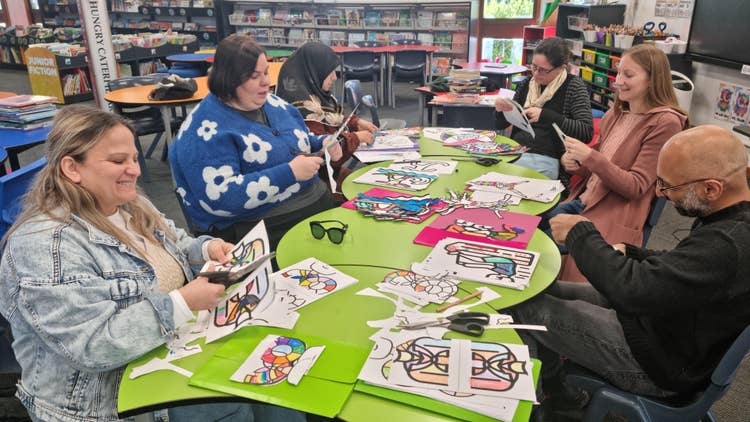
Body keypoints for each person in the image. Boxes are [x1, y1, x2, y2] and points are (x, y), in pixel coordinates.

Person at [0, 105, 304, 422]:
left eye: (134, 158)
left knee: (275, 387)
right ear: (72, 168)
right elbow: (90, 345)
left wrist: (207, 247)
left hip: (173, 348)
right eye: (118, 161)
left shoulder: (129, 203)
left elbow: (174, 241)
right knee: (235, 404)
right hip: (110, 399)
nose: (135, 170)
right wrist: (182, 304)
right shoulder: (45, 247)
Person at [510, 125, 750, 419]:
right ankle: (559, 391)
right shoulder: (731, 218)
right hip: (660, 329)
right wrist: (635, 252)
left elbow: (631, 292)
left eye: (669, 187)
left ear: (711, 188)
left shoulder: (729, 243)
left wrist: (580, 234)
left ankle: (533, 409)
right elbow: (686, 265)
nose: (660, 193)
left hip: (657, 363)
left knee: (521, 310)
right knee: (539, 289)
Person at [169, 35, 342, 247]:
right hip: (260, 232)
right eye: (254, 76)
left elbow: (300, 139)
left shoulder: (272, 103)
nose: (266, 82)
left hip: (309, 209)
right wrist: (290, 173)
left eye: (266, 72)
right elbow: (221, 198)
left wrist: (323, 143)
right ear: (228, 79)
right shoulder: (203, 131)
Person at [543, 43, 688, 282]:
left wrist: (591, 157)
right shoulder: (617, 113)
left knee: (543, 251)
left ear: (653, 80)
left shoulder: (666, 122)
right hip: (582, 201)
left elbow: (636, 186)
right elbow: (596, 168)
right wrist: (576, 163)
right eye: (619, 72)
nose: (618, 81)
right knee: (530, 232)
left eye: (628, 75)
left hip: (612, 213)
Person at [276, 41, 378, 193]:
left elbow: (328, 118)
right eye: (328, 71)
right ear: (313, 72)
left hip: (330, 175)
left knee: (375, 188)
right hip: (318, 184)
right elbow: (325, 154)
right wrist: (356, 138)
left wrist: (354, 123)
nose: (334, 77)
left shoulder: (313, 97)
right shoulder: (301, 109)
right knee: (372, 194)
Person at [494, 37, 593, 180]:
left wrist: (546, 116)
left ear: (561, 68)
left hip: (549, 157)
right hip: (517, 151)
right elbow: (500, 125)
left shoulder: (574, 87)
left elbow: (585, 132)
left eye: (543, 70)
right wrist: (500, 111)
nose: (535, 74)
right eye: (533, 67)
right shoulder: (527, 84)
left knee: (504, 178)